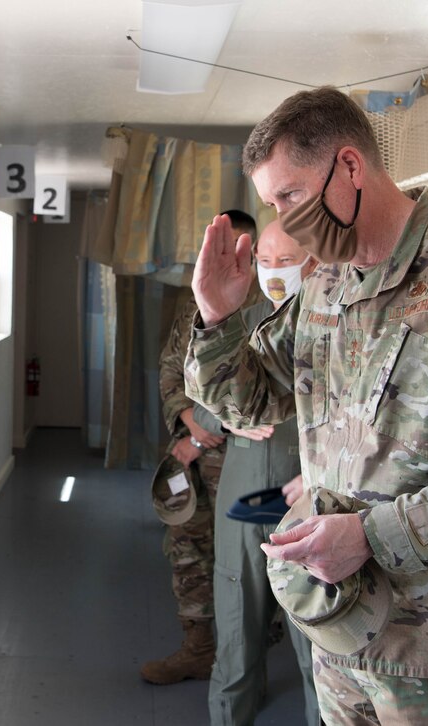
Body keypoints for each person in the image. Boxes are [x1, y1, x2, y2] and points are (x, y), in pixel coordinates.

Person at [185, 88, 428, 724]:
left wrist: (373, 536)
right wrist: (217, 316)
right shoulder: (326, 285)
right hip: (343, 636)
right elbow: (249, 402)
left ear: (349, 167)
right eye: (271, 204)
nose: (283, 223)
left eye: (290, 196)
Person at [192, 219, 321, 725]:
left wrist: (320, 473)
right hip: (246, 497)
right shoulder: (237, 326)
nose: (273, 272)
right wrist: (230, 415)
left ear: (314, 261)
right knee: (236, 627)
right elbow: (200, 404)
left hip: (308, 502)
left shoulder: (335, 325)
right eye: (264, 261)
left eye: (286, 261)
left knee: (317, 645)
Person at [140, 210, 257, 685]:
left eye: (234, 248)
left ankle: (246, 657)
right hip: (190, 454)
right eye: (217, 248)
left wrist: (199, 430)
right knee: (188, 550)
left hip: (241, 459)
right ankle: (197, 648)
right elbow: (172, 367)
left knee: (245, 558)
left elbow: (260, 391)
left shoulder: (269, 304)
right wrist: (184, 417)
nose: (224, 258)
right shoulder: (195, 305)